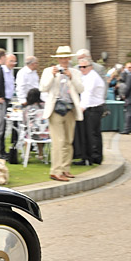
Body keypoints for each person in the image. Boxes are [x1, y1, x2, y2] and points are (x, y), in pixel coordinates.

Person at [39, 46, 84, 183]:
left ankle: (65, 168)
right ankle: (56, 171)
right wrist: (53, 76)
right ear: (57, 59)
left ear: (70, 58)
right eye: (61, 58)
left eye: (66, 57)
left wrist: (71, 77)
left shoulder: (75, 72)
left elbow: (81, 88)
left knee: (68, 141)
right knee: (58, 141)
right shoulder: (49, 71)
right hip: (55, 109)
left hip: (70, 109)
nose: (64, 60)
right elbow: (43, 88)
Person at [74, 57, 106, 165]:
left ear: (90, 67)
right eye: (80, 67)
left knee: (92, 134)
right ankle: (90, 157)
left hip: (93, 108)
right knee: (91, 133)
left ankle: (93, 157)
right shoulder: (86, 76)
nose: (82, 69)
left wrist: (82, 108)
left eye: (84, 67)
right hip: (92, 108)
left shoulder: (92, 77)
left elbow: (87, 93)